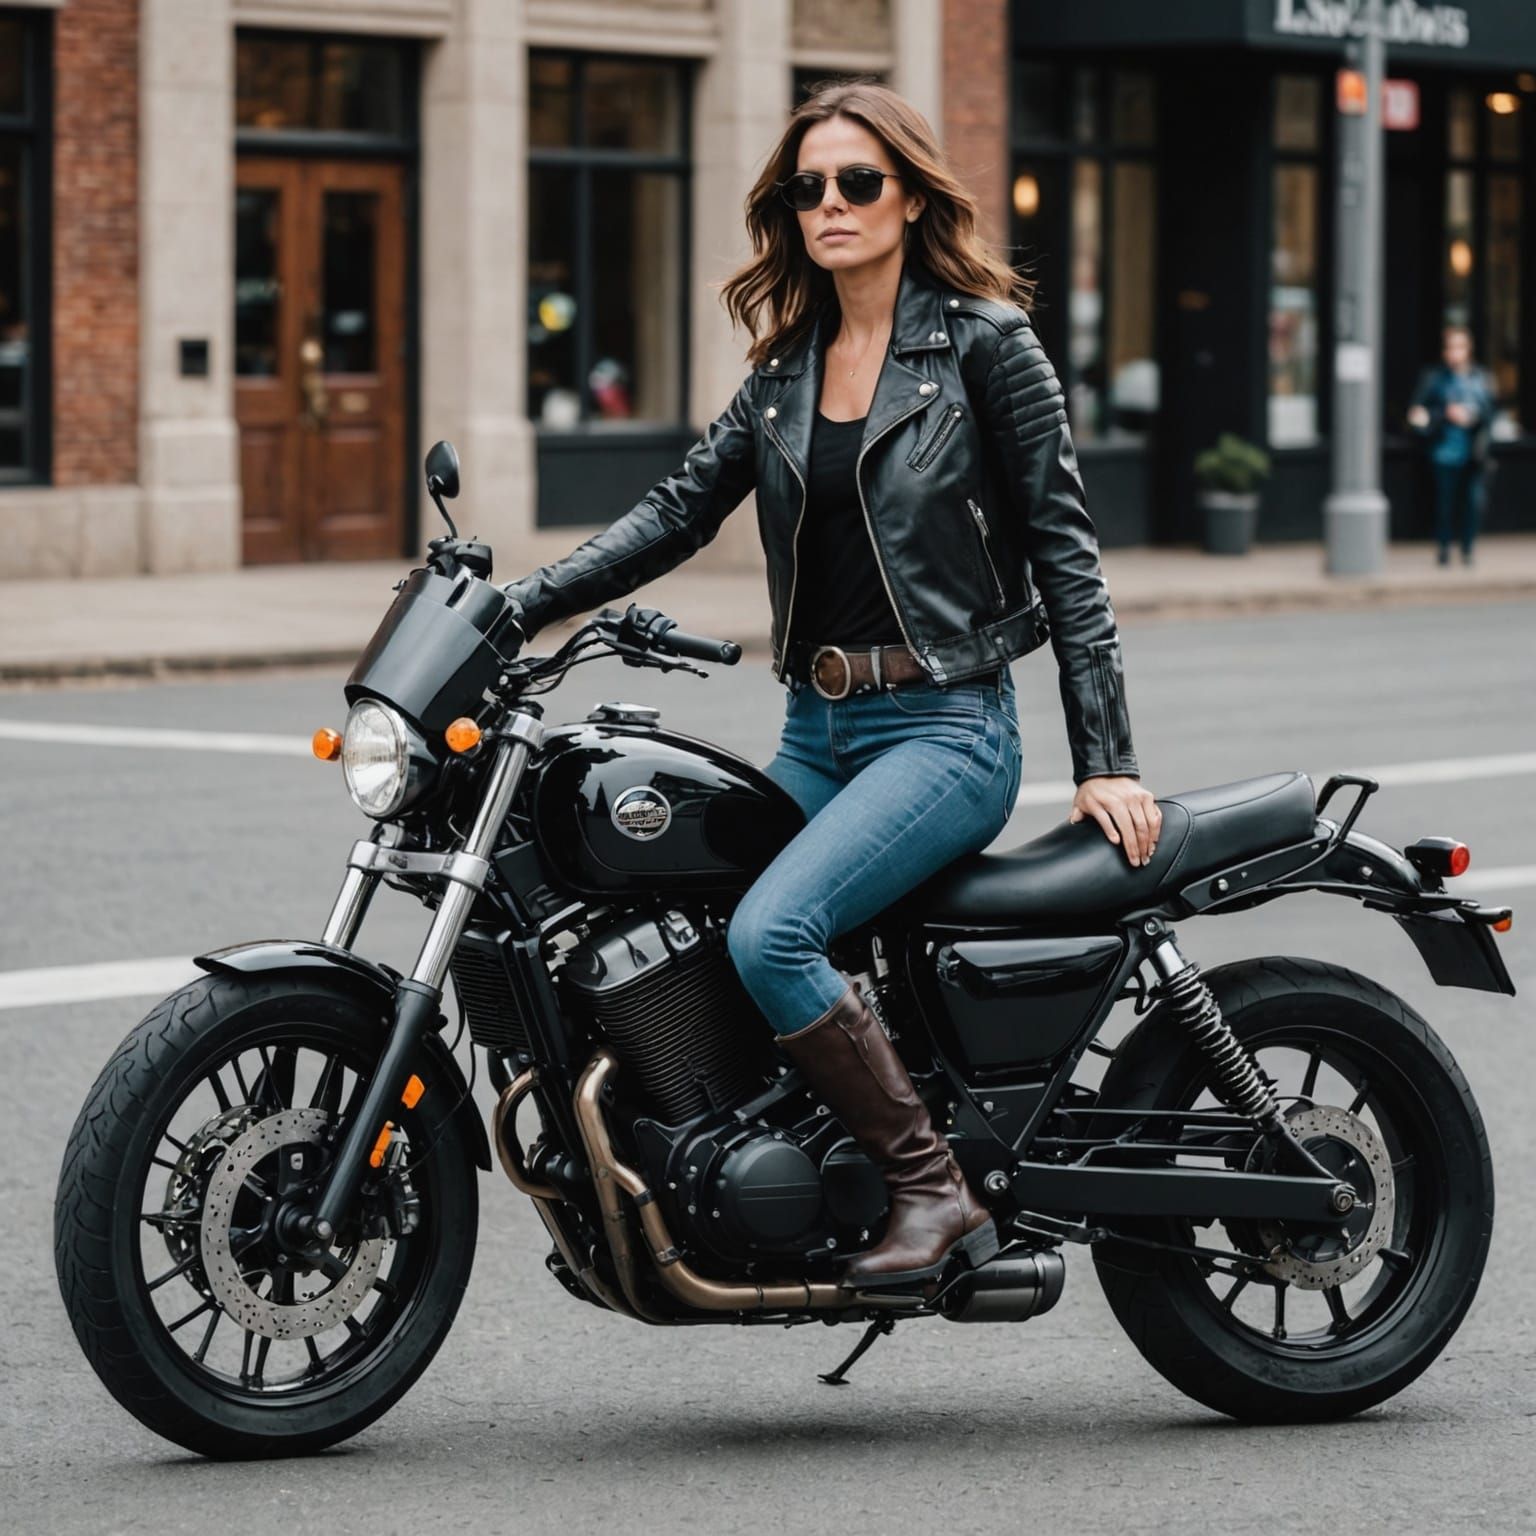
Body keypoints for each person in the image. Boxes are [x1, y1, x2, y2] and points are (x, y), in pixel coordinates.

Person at [500, 81, 1158, 1287]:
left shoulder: (982, 345)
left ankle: (934, 1191)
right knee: (692, 930)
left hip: (946, 730)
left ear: (909, 196)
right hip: (818, 726)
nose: (833, 205)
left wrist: (1106, 757)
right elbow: (674, 512)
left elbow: (1069, 552)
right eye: (810, 187)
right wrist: (518, 601)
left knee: (774, 930)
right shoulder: (787, 369)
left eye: (859, 182)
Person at [1407, 325, 1496, 566]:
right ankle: (1444, 549)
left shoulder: (1481, 378)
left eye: (1459, 347)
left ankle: (1467, 550)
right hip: (1444, 452)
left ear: (1468, 349)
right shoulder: (1434, 378)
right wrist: (1443, 414)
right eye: (1450, 347)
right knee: (1444, 504)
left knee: (1472, 503)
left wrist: (1473, 416)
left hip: (1473, 453)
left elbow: (1491, 413)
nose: (1455, 353)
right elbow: (1417, 414)